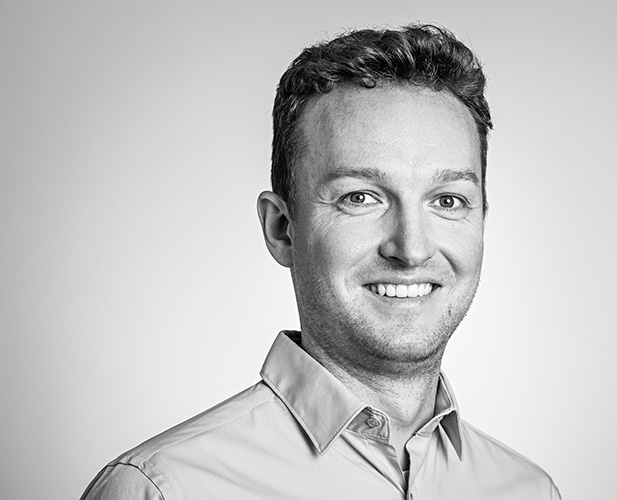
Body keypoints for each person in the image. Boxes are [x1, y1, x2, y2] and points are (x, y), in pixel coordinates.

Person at [80, 24, 561, 500]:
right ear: (282, 229)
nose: (412, 249)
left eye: (448, 201)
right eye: (360, 197)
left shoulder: (531, 491)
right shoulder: (163, 489)